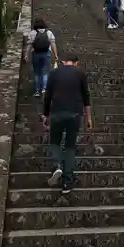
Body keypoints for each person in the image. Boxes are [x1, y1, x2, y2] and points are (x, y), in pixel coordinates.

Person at [43, 54, 92, 193]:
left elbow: (47, 95)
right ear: (76, 63)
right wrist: (89, 118)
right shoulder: (81, 73)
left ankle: (57, 165)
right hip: (75, 113)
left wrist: (45, 115)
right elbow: (86, 97)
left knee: (54, 142)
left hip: (57, 112)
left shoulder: (54, 73)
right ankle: (67, 183)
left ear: (64, 62)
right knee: (70, 147)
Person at [25, 19, 59, 97]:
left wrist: (27, 55)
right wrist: (55, 55)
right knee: (45, 72)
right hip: (46, 54)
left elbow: (29, 46)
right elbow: (53, 44)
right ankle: (44, 89)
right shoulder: (49, 32)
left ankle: (37, 91)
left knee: (37, 73)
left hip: (36, 54)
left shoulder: (32, 33)